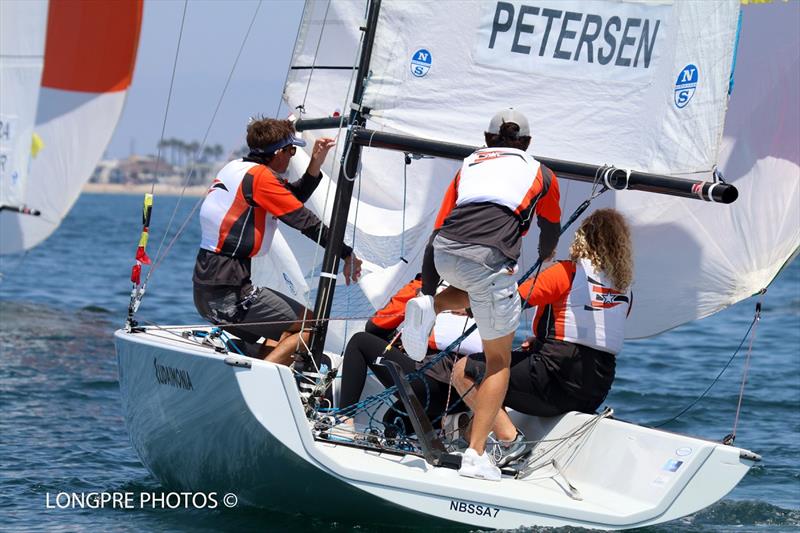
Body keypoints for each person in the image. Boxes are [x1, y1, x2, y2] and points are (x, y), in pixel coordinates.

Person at [402, 108, 562, 481]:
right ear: (527, 144)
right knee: (498, 363)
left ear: (487, 140)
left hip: (444, 255)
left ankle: (433, 302)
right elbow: (550, 226)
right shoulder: (542, 172)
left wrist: (427, 285)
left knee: (477, 294)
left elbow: (442, 223)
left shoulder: (469, 164)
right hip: (489, 261)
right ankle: (475, 455)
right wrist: (545, 254)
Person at [451, 208, 633, 470]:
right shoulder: (625, 290)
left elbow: (510, 301)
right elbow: (591, 333)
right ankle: (476, 437)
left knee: (465, 371)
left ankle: (509, 440)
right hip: (595, 390)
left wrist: (466, 307)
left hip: (554, 378)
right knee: (517, 362)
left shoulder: (567, 272)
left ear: (583, 238)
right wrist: (539, 344)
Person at [193, 117, 362, 364]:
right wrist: (347, 254)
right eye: (292, 150)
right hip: (228, 288)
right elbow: (306, 222)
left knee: (283, 331)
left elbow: (289, 199)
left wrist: (315, 163)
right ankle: (259, 386)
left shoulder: (237, 169)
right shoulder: (261, 179)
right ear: (278, 152)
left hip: (207, 285)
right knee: (313, 326)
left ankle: (262, 380)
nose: (292, 156)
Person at [337, 275, 482, 435]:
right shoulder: (488, 290)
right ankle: (446, 423)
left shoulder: (429, 285)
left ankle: (344, 421)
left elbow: (375, 326)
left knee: (360, 342)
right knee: (392, 420)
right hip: (466, 397)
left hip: (430, 388)